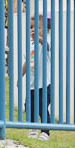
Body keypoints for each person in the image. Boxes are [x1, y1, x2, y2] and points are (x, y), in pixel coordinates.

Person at [23, 12, 52, 141]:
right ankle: (33, 128)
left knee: (41, 107)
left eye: (38, 27)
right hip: (32, 83)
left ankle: (46, 131)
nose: (33, 30)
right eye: (31, 27)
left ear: (47, 30)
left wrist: (40, 39)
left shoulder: (46, 42)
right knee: (28, 106)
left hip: (44, 84)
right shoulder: (31, 45)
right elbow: (28, 61)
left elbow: (46, 45)